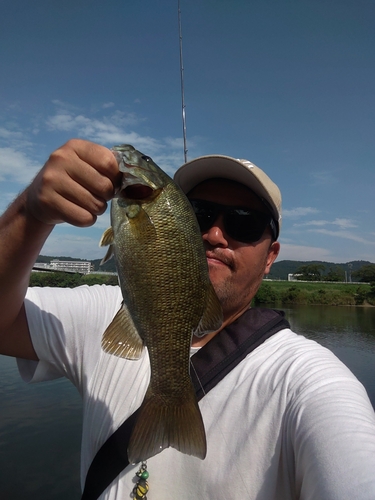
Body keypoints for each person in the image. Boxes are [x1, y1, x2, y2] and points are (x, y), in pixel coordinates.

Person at [0, 139, 375, 499]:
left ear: (271, 257)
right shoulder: (106, 310)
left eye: (244, 223)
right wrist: (29, 214)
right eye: (199, 214)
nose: (214, 234)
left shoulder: (305, 379)